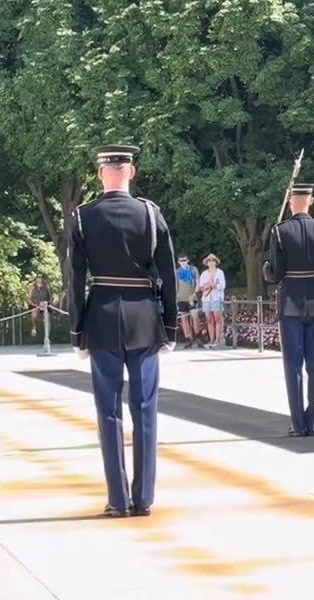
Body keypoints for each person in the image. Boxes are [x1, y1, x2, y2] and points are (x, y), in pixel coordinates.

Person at [66, 143, 177, 518]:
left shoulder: (83, 217)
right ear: (132, 171)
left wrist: (77, 329)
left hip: (101, 317)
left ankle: (117, 498)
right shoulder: (150, 214)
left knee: (108, 411)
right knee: (145, 408)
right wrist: (171, 325)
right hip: (144, 319)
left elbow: (76, 278)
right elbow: (168, 272)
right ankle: (142, 497)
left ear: (102, 174)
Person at [262, 182, 314, 437]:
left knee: (293, 366)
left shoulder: (280, 232)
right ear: (311, 200)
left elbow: (276, 274)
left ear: (291, 201)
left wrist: (266, 268)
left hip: (291, 302)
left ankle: (298, 423)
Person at [197, 253, 226, 348]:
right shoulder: (204, 274)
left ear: (216, 262)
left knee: (217, 319)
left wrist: (215, 286)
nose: (211, 262)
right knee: (209, 319)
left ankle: (217, 339)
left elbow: (222, 286)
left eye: (213, 260)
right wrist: (208, 285)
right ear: (207, 263)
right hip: (206, 298)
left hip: (217, 298)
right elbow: (201, 287)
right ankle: (211, 339)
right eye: (209, 261)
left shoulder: (220, 273)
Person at [174, 255, 201, 348]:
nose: (183, 262)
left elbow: (198, 282)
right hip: (181, 298)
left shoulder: (193, 270)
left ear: (188, 260)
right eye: (181, 260)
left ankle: (197, 336)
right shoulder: (177, 272)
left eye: (185, 260)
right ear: (178, 261)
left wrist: (195, 293)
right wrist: (176, 297)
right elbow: (175, 285)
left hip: (191, 297)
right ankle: (188, 338)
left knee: (195, 317)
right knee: (184, 319)